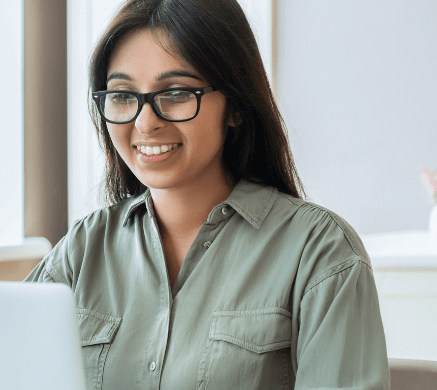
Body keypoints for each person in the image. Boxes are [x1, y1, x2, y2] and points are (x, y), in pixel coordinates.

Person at [24, 0, 390, 388]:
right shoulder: (83, 248)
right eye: (123, 95)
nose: (145, 123)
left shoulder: (320, 251)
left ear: (235, 107)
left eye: (177, 93)